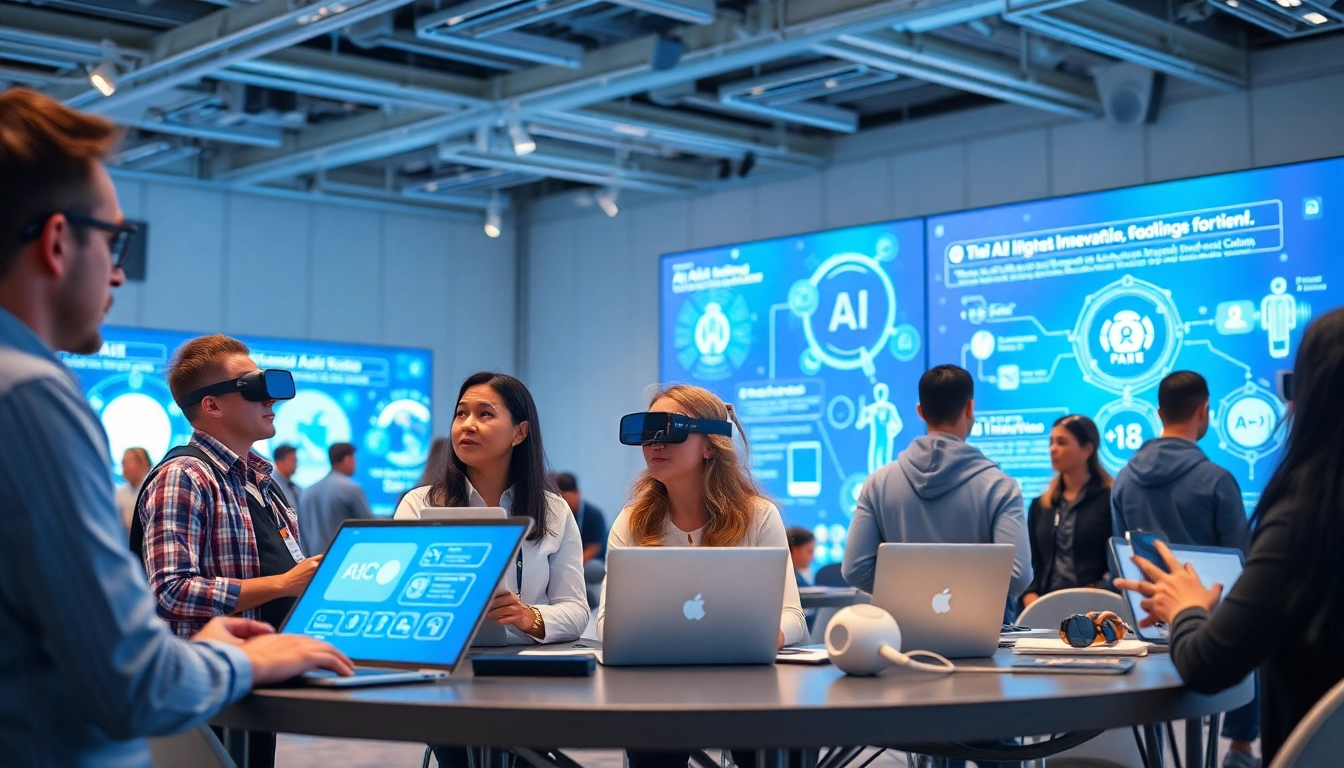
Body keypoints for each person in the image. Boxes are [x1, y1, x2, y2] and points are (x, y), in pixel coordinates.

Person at [0, 87, 349, 765]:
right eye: (115, 240)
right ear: (58, 241)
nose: (121, 273)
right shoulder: (31, 397)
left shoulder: (262, 483)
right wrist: (255, 659)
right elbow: (134, 683)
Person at [1114, 308, 1344, 767]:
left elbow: (1209, 664)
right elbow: (1238, 555)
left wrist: (1186, 608)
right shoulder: (1218, 480)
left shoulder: (1305, 517)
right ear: (1203, 411)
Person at [138, 334, 323, 768]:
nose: (270, 399)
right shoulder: (184, 475)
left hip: (255, 685)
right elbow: (169, 590)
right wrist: (283, 584)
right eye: (252, 387)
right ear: (211, 405)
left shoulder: (261, 483)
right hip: (204, 695)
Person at [600, 383, 807, 768]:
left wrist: (754, 640)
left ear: (710, 444)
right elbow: (607, 624)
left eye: (671, 429)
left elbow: (793, 619)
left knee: (775, 747)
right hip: (656, 693)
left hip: (748, 690)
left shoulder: (758, 516)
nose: (655, 443)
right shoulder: (631, 522)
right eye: (648, 431)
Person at [396, 372, 588, 768]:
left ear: (519, 433)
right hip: (447, 679)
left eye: (485, 414)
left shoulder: (553, 511)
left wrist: (527, 616)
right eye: (461, 413)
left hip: (526, 680)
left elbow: (575, 610)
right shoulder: (419, 505)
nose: (467, 425)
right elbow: (402, 607)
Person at [1110, 370, 1258, 766]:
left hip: (1147, 627)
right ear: (1203, 410)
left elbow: (1120, 561)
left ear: (1160, 412)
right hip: (1208, 628)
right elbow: (1241, 569)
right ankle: (1241, 752)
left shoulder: (1123, 480)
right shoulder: (1217, 480)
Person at [842, 365, 1032, 616]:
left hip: (902, 635)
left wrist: (914, 593)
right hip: (983, 636)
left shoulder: (877, 483)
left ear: (921, 412)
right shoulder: (999, 486)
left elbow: (855, 570)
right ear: (969, 408)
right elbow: (1017, 578)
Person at [1021, 415, 1114, 608]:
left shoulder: (1110, 500)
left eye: (1062, 442)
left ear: (1087, 449)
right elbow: (1030, 562)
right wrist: (1030, 595)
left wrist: (1096, 591)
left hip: (1096, 608)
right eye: (1051, 442)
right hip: (1044, 609)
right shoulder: (1042, 505)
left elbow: (1118, 563)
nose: (1052, 449)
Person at [299, 442, 373, 556]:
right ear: (347, 459)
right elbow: (369, 527)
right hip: (344, 561)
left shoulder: (307, 492)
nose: (356, 463)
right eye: (355, 459)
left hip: (312, 565)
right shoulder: (351, 489)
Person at [553, 471, 607, 608]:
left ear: (578, 493)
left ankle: (590, 603)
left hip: (590, 560)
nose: (563, 502)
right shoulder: (558, 514)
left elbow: (594, 548)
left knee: (592, 568)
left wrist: (572, 564)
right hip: (567, 559)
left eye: (566, 497)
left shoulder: (593, 514)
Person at [116, 446, 151, 530]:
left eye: (128, 462)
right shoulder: (118, 494)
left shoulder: (153, 491)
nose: (124, 467)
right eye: (123, 463)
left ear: (144, 464)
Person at [271, 443, 302, 509]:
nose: (296, 465)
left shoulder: (294, 487)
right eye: (293, 461)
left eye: (296, 461)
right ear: (279, 462)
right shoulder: (271, 486)